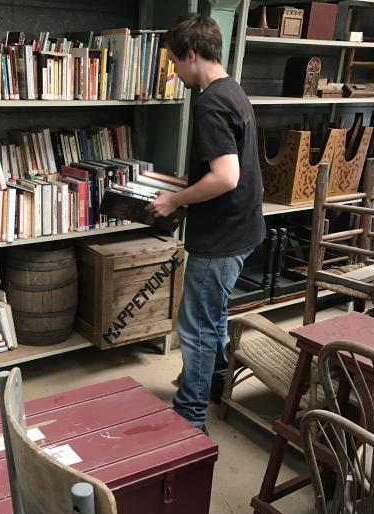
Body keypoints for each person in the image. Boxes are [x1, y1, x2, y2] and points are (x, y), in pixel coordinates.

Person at [147, 13, 265, 432]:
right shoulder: (234, 90)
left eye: (175, 61)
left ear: (192, 55)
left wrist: (175, 199)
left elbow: (226, 176)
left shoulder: (210, 103)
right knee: (213, 315)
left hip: (221, 236)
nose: (175, 71)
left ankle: (190, 415)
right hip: (244, 228)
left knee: (195, 326)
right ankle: (215, 383)